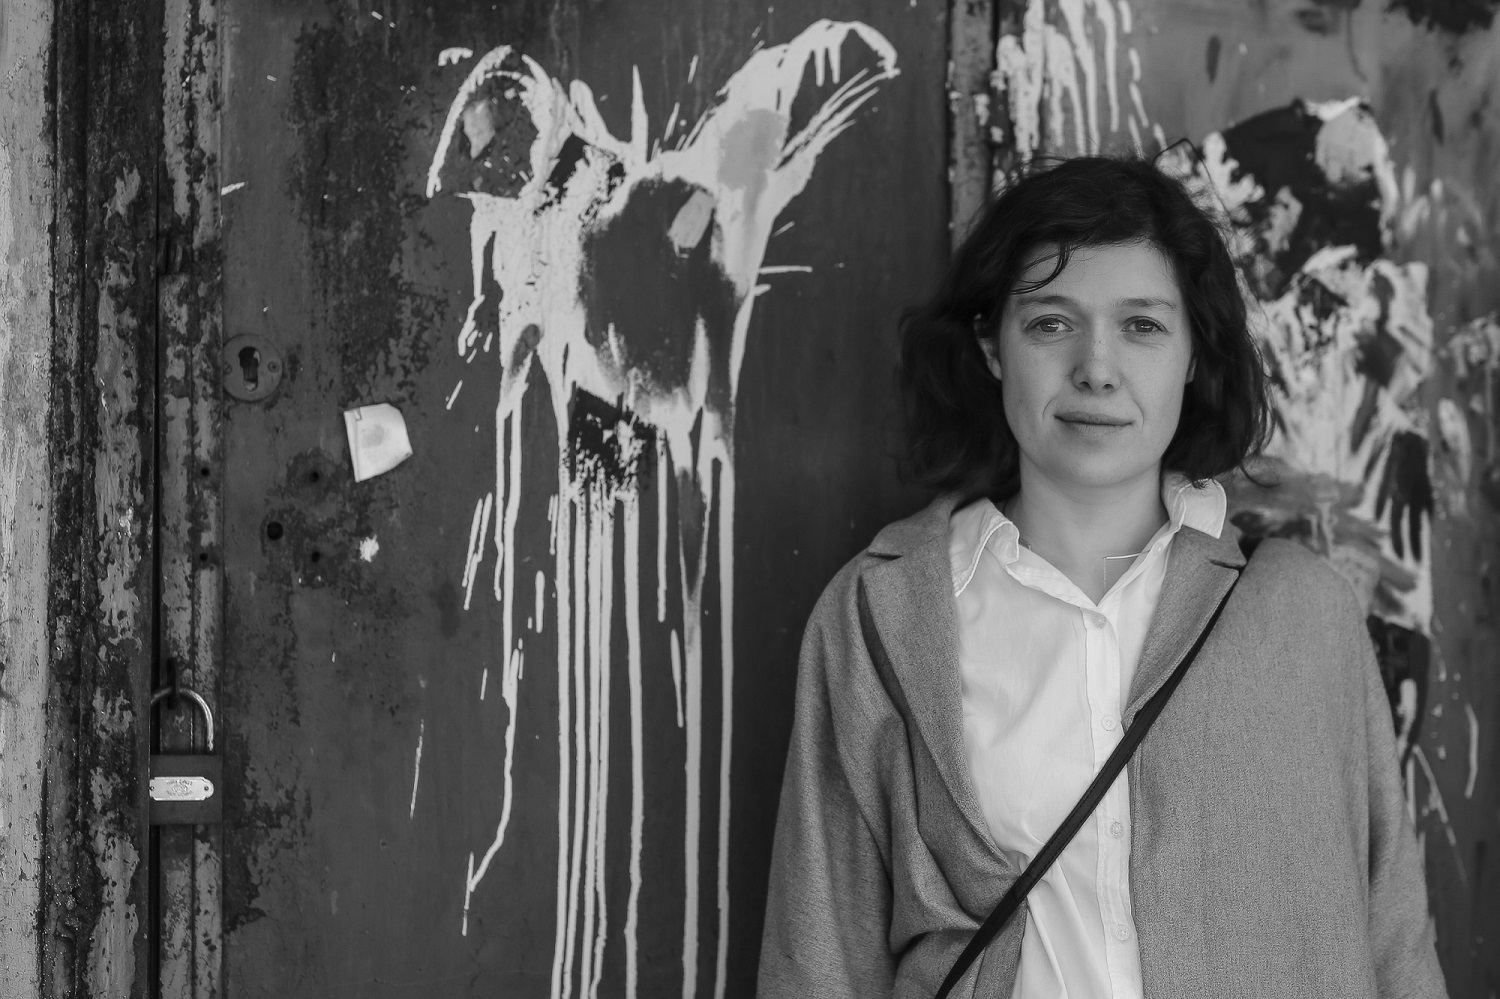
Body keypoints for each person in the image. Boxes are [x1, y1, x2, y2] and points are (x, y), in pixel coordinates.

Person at [756, 157, 1449, 999]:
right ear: (992, 345)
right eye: (1051, 323)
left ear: (1193, 353)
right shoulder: (882, 615)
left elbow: (1394, 938)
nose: (1096, 367)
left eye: (1142, 326)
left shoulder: (1304, 611)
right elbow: (819, 954)